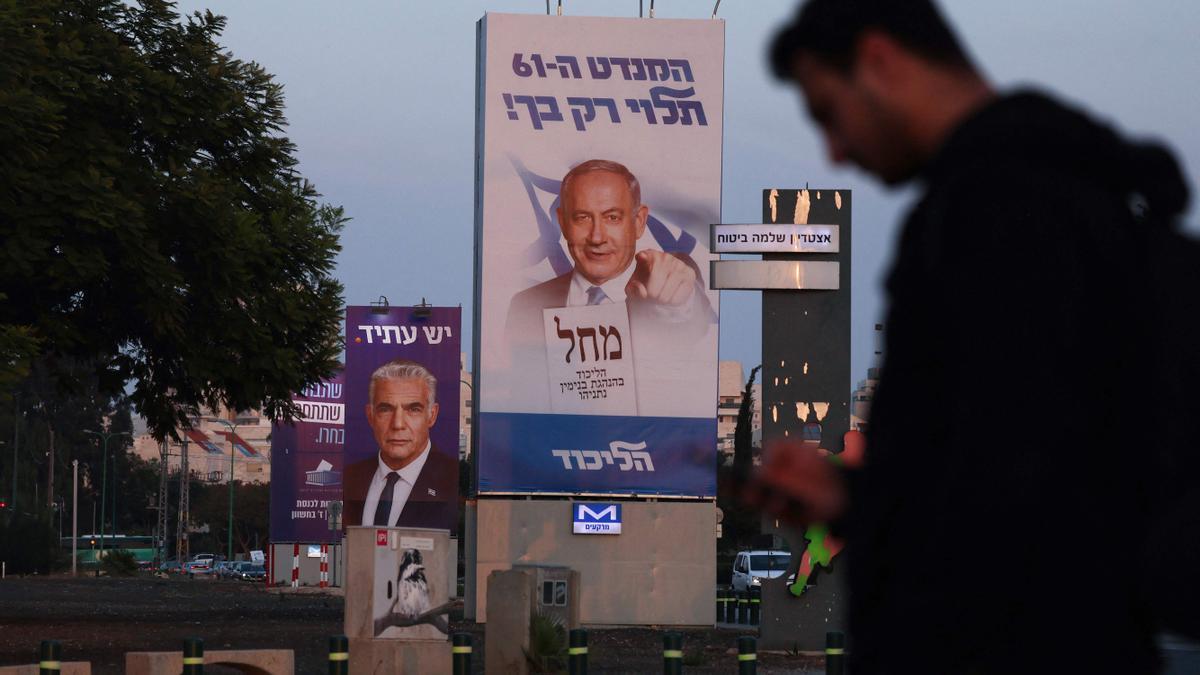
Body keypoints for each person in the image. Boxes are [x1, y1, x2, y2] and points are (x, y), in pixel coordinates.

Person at [753, 1, 1192, 673]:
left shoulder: (994, 214)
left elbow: (1004, 501)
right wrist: (853, 499)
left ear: (879, 61)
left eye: (828, 111)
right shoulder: (1084, 196)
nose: (835, 152)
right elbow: (1016, 469)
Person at [504, 158, 714, 348]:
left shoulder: (660, 284)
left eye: (612, 218)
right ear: (562, 223)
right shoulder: (525, 306)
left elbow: (692, 321)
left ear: (639, 222)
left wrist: (680, 302)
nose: (597, 238)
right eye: (582, 218)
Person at [343, 359, 457, 531]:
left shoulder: (453, 479)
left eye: (413, 409)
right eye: (386, 409)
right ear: (370, 415)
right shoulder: (349, 479)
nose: (397, 424)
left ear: (432, 415)